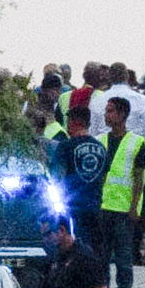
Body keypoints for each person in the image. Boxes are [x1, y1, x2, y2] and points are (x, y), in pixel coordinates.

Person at [97, 97, 145, 288]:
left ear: (122, 115)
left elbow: (139, 177)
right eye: (106, 111)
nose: (106, 115)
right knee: (101, 261)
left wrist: (135, 206)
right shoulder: (99, 140)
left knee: (123, 262)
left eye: (110, 111)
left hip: (123, 210)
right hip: (102, 208)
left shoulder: (136, 143)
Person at [57, 104, 110, 260]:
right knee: (96, 249)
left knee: (72, 249)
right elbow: (104, 176)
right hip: (95, 205)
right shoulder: (100, 147)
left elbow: (57, 176)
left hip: (71, 206)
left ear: (74, 122)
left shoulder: (66, 146)